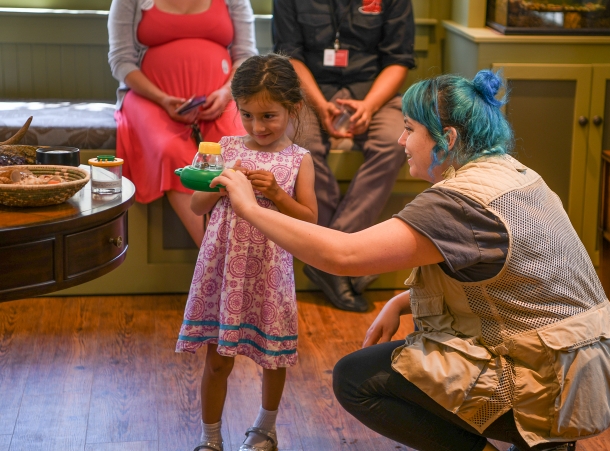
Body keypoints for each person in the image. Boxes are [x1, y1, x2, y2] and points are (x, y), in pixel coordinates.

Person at [209, 69, 610, 451]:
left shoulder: (459, 204)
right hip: (593, 367)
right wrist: (401, 302)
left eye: (408, 129)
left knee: (356, 380)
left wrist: (250, 208)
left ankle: (535, 437)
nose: (400, 140)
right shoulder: (511, 172)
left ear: (445, 139)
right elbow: (524, 284)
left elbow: (343, 255)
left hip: (560, 384)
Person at [175, 54, 317, 451]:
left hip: (270, 272)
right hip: (224, 270)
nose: (258, 126)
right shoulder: (224, 147)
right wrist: (221, 181)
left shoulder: (299, 161)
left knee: (273, 358)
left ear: (294, 108)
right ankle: (209, 437)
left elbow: (309, 219)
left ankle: (265, 429)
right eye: (248, 115)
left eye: (269, 116)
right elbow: (196, 207)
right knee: (217, 359)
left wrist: (273, 192)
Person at [272, 0, 416, 312]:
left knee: (396, 141)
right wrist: (321, 105)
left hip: (374, 92)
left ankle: (330, 256)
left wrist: (369, 106)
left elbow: (399, 59)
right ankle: (348, 259)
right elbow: (289, 55)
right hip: (308, 93)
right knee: (303, 148)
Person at [108, 0, 259, 247]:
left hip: (223, 97)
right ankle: (214, 255)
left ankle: (241, 249)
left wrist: (226, 93)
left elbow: (246, 56)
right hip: (151, 99)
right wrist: (163, 99)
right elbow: (121, 61)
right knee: (170, 150)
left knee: (238, 150)